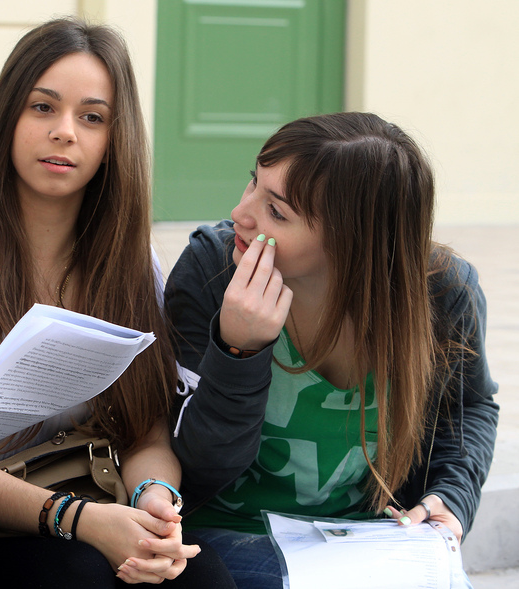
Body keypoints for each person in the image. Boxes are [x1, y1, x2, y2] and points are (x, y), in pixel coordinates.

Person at [0, 17, 236, 588]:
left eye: (92, 117)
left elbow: (145, 433)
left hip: (90, 504)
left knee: (202, 580)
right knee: (77, 575)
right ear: (8, 115)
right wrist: (81, 520)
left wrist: (155, 501)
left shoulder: (132, 262)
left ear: (114, 139)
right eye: (42, 107)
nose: (65, 132)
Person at [165, 112, 499, 588]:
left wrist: (452, 494)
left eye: (277, 212)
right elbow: (196, 465)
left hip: (369, 538)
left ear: (353, 242)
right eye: (252, 183)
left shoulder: (443, 293)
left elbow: (468, 408)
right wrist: (238, 350)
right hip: (224, 534)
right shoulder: (212, 271)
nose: (241, 213)